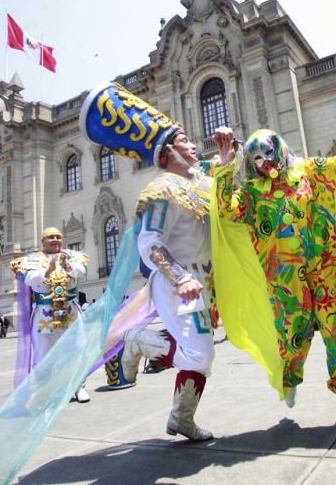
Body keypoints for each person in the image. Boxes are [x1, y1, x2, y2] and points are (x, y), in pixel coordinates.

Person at [213, 125, 336, 434]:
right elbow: (226, 210)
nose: (265, 162)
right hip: (285, 286)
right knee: (292, 342)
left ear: (280, 148)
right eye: (257, 159)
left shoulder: (312, 172)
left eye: (269, 153)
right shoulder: (253, 194)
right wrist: (226, 163)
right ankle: (290, 379)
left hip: (324, 276)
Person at [80, 82, 216, 440]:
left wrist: (230, 154)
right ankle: (138, 340)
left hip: (202, 284)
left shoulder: (199, 184)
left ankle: (181, 420)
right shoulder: (160, 190)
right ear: (170, 151)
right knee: (198, 354)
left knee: (204, 355)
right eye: (185, 141)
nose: (193, 145)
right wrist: (179, 278)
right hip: (177, 285)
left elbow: (224, 187)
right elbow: (150, 241)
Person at [10, 227, 91, 402]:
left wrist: (66, 265)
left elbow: (81, 271)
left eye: (58, 237)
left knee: (76, 348)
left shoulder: (72, 255)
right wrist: (48, 270)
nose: (55, 240)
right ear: (42, 241)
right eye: (50, 237)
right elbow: (28, 279)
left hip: (70, 311)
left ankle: (78, 387)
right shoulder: (31, 260)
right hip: (44, 313)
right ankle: (44, 392)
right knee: (43, 353)